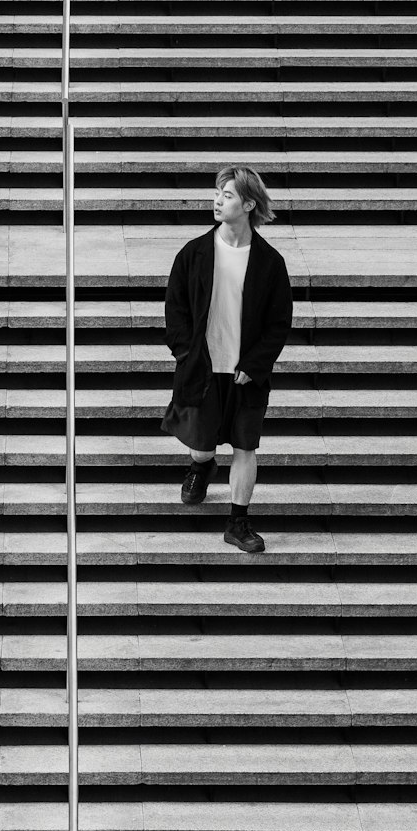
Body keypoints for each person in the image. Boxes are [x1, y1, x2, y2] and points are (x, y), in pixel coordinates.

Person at [160, 165, 293, 553]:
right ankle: (200, 467)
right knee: (203, 445)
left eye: (228, 195)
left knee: (245, 446)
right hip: (203, 369)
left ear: (249, 204)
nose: (218, 200)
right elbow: (176, 311)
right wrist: (187, 355)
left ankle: (238, 522)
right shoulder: (194, 253)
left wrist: (255, 365)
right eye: (218, 193)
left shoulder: (270, 262)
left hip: (246, 374)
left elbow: (279, 322)